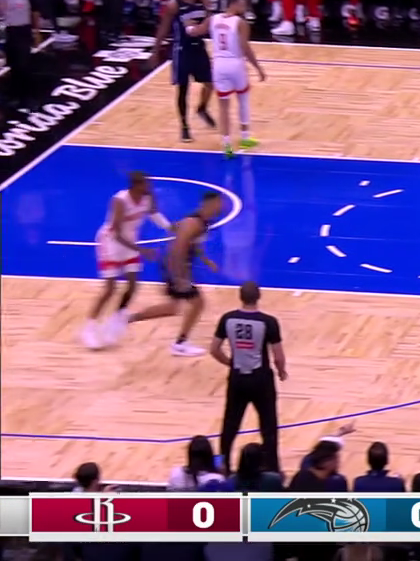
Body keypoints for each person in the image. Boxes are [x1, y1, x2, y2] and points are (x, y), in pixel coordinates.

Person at [104, 192, 223, 356]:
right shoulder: (194, 223)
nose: (221, 206)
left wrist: (205, 260)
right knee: (198, 303)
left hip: (173, 266)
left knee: (172, 307)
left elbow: (192, 243)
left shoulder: (202, 222)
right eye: (219, 203)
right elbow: (178, 248)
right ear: (210, 203)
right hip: (175, 267)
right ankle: (180, 343)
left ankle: (127, 318)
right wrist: (180, 275)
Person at [82, 172, 172, 349]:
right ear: (136, 185)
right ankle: (89, 328)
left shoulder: (148, 197)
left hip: (129, 243)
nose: (149, 187)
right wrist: (141, 250)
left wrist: (171, 227)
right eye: (146, 184)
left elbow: (154, 213)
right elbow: (115, 233)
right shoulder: (120, 201)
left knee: (132, 286)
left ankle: (116, 319)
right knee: (110, 289)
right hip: (111, 243)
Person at [212, 281, 285, 473]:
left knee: (230, 426)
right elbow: (278, 356)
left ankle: (223, 466)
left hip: (237, 378)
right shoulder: (268, 322)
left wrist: (230, 363)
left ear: (240, 296)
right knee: (268, 427)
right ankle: (273, 470)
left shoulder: (227, 319)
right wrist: (281, 371)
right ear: (258, 296)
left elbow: (214, 349)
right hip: (261, 379)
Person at [152, 0, 215, 142]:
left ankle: (202, 108)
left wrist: (208, 7)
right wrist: (155, 50)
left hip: (199, 47)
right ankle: (184, 126)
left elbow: (210, 21)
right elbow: (163, 28)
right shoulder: (174, 5)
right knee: (183, 89)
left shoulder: (202, 1)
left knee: (211, 83)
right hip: (182, 50)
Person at [209, 0, 266, 157]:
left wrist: (188, 28)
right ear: (233, 5)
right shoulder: (241, 23)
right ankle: (245, 138)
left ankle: (226, 145)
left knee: (223, 106)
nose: (244, 6)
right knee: (243, 100)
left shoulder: (213, 19)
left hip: (219, 65)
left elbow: (196, 30)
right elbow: (245, 48)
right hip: (236, 64)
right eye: (241, 4)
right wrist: (258, 67)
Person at [0, 0, 40, 110]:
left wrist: (36, 31)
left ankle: (27, 97)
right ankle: (14, 96)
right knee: (13, 66)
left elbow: (34, 13)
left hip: (24, 32)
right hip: (9, 33)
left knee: (24, 66)